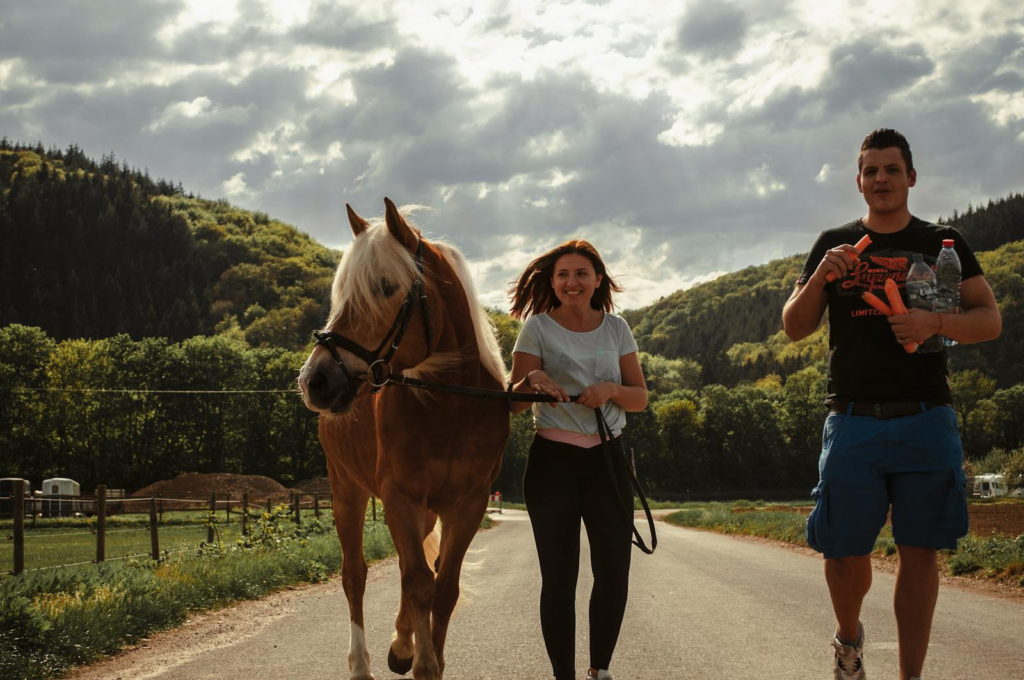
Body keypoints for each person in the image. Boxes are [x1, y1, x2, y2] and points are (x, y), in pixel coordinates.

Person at [782, 128, 1002, 680]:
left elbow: (989, 320)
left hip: (927, 415)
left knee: (920, 550)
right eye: (871, 171)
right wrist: (820, 280)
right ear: (859, 181)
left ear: (911, 176)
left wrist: (935, 323)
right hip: (852, 417)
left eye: (892, 169)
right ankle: (849, 639)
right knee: (842, 549)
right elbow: (794, 327)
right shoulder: (834, 242)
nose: (882, 179)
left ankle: (910, 677)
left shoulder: (943, 242)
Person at [507, 240, 648, 680]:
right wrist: (532, 378)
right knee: (559, 578)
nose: (572, 282)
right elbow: (511, 403)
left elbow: (640, 398)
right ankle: (562, 676)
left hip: (608, 462)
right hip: (553, 462)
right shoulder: (536, 329)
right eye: (564, 274)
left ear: (597, 280)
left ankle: (599, 669)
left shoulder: (618, 328)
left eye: (581, 273)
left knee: (613, 573)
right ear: (552, 282)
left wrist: (610, 390)